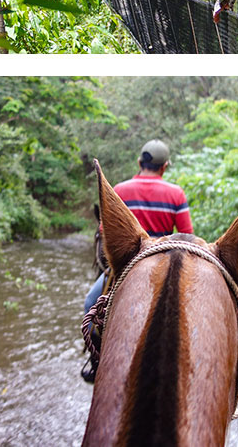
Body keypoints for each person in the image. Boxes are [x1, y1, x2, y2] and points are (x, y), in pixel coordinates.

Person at [81, 140, 192, 381]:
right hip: (165, 268)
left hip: (126, 268)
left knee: (91, 303)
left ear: (140, 163)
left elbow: (105, 231)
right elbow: (187, 237)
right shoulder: (176, 194)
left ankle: (96, 361)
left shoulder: (120, 190)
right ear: (164, 167)